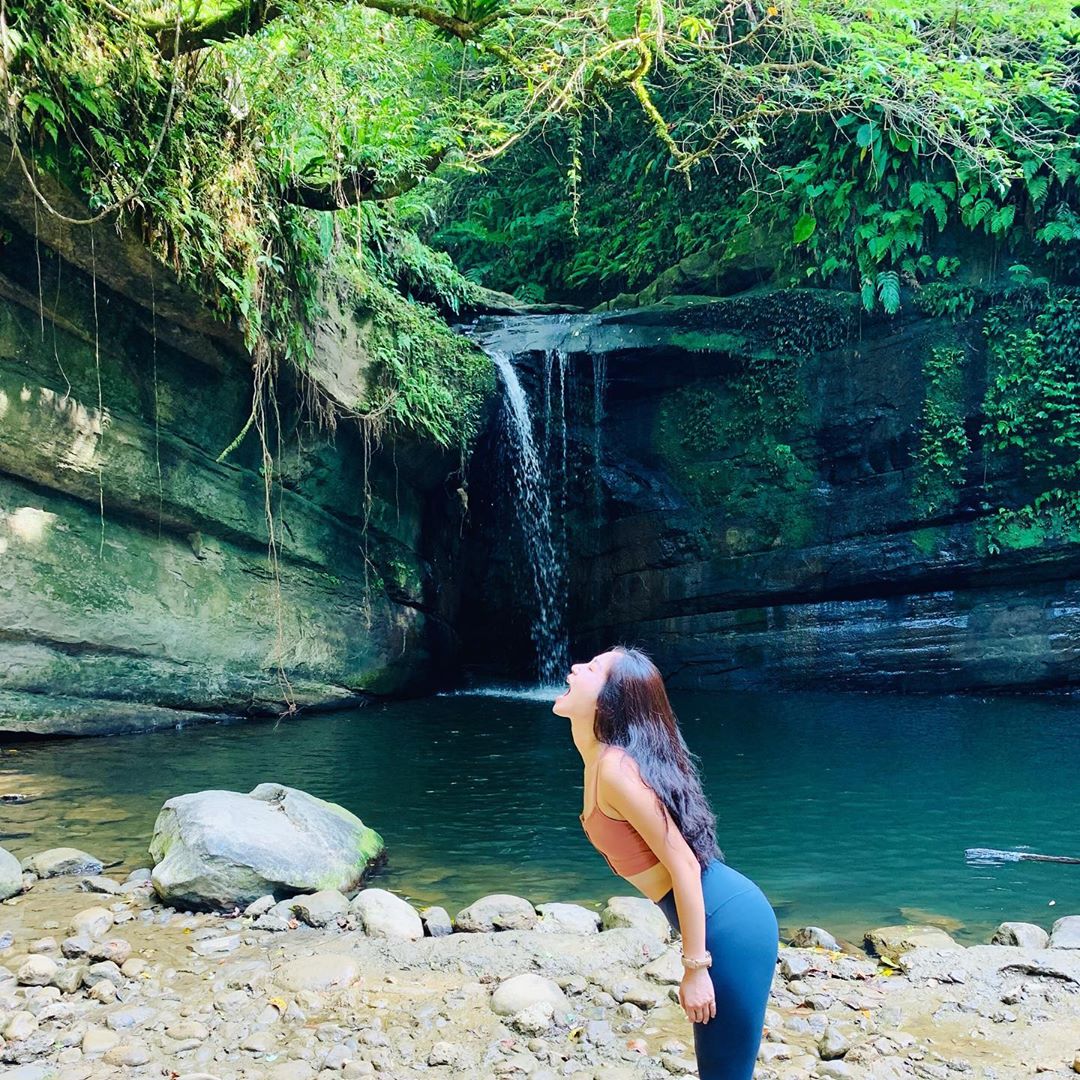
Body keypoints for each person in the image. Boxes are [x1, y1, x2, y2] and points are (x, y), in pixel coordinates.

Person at [552, 645, 778, 1080]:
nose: (575, 667)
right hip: (715, 917)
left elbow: (686, 865)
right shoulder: (599, 760)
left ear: (609, 700)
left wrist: (694, 968)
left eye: (592, 668)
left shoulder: (616, 770)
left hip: (731, 925)